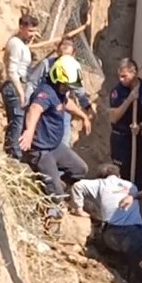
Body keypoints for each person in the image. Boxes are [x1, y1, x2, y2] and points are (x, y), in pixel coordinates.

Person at [18, 55, 90, 205]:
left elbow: (66, 103)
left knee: (80, 169)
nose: (69, 89)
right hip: (40, 149)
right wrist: (29, 132)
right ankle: (52, 208)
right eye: (67, 85)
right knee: (57, 195)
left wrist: (83, 116)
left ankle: (55, 184)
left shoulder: (60, 92)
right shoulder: (45, 92)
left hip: (55, 146)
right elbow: (34, 109)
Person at [68, 162, 142, 267]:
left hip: (112, 234)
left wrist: (78, 209)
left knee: (110, 250)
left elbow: (77, 185)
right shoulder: (131, 186)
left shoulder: (100, 184)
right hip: (134, 233)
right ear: (119, 176)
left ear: (100, 177)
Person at [108, 57, 142, 190]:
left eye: (124, 76)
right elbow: (114, 117)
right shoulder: (117, 92)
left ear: (134, 73)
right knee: (122, 175)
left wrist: (140, 126)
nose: (121, 79)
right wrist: (129, 99)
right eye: (119, 76)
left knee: (139, 173)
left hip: (135, 136)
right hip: (120, 138)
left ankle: (136, 201)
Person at [0, 14, 38, 159]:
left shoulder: (21, 43)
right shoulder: (15, 44)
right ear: (21, 28)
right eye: (29, 31)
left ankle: (14, 151)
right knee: (17, 119)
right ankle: (14, 152)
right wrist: (20, 92)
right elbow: (12, 70)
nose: (32, 34)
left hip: (20, 84)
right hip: (15, 85)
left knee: (17, 120)